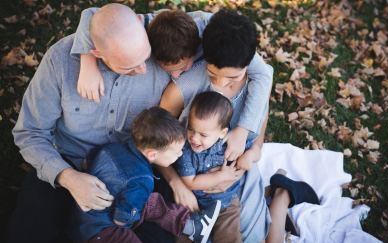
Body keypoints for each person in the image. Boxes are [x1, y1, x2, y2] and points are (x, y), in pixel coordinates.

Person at [8, 4, 173, 243]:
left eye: (145, 57)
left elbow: (215, 26)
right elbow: (30, 132)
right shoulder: (60, 60)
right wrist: (68, 178)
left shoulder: (159, 39)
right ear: (96, 53)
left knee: (161, 236)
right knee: (29, 232)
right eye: (129, 67)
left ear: (140, 21)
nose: (144, 69)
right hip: (71, 162)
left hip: (135, 169)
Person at [160, 10, 274, 242]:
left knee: (251, 237)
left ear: (248, 65)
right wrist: (177, 184)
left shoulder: (256, 81)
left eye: (232, 78)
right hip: (188, 178)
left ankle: (281, 195)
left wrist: (255, 150)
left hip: (235, 181)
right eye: (212, 74)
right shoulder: (183, 89)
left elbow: (262, 115)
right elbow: (156, 139)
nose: (221, 84)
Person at [70, 107, 221, 243]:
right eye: (176, 152)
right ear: (152, 154)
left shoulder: (111, 148)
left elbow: (88, 161)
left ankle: (192, 227)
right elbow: (122, 219)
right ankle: (191, 227)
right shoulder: (142, 179)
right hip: (103, 231)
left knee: (150, 201)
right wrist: (135, 218)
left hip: (82, 216)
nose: (180, 155)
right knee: (148, 203)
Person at [176, 92, 245, 243]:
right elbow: (191, 182)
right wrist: (221, 176)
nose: (194, 138)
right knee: (184, 235)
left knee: (229, 237)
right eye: (191, 129)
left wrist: (242, 165)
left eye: (203, 135)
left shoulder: (228, 145)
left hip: (225, 203)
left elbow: (243, 160)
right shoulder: (185, 150)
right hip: (195, 205)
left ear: (222, 133)